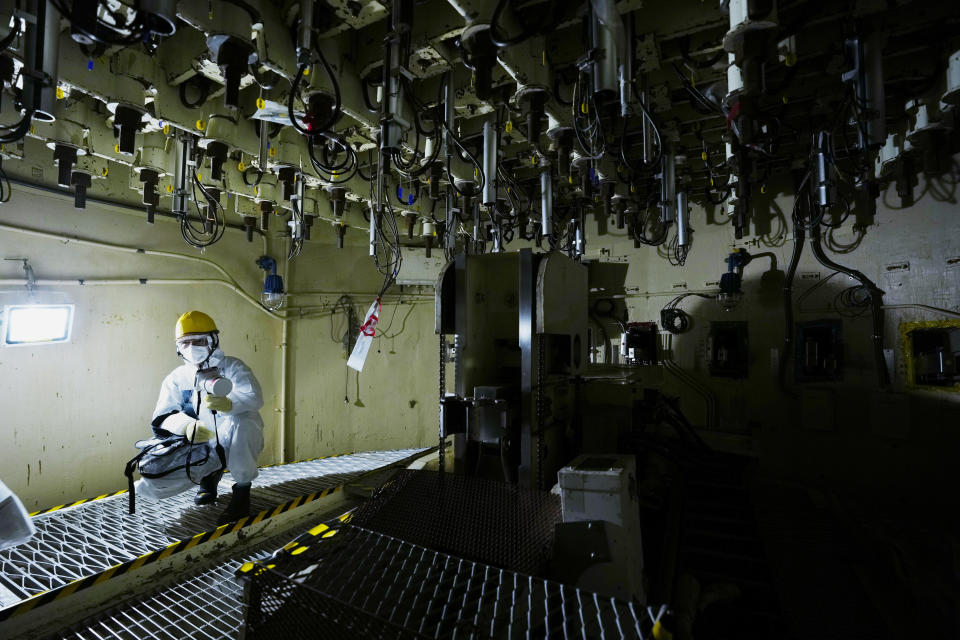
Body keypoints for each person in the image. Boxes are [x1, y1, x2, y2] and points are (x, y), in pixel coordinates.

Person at [150, 311, 264, 525]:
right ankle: (208, 479)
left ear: (213, 340)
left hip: (234, 436)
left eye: (199, 341)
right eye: (185, 343)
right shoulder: (177, 378)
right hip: (202, 438)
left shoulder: (233, 367)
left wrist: (231, 404)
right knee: (167, 463)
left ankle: (242, 491)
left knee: (244, 422)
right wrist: (185, 425)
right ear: (177, 347)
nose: (192, 348)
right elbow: (162, 416)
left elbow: (254, 397)